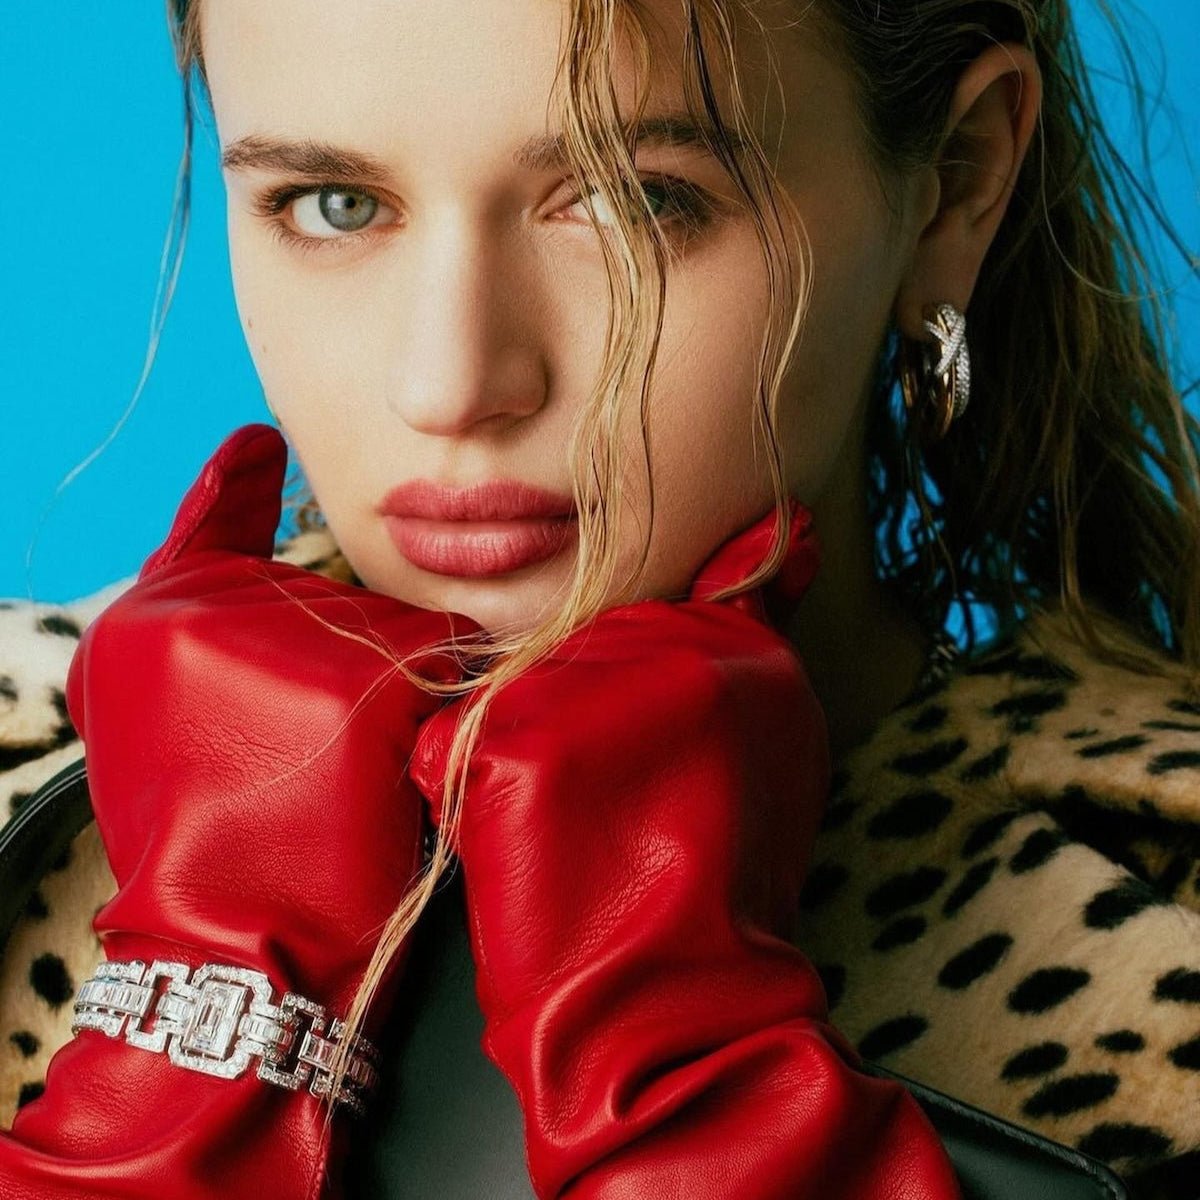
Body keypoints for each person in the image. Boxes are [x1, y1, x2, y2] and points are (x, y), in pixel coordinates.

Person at [0, 0, 1196, 1196]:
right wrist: (197, 1016)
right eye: (335, 204)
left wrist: (690, 1089)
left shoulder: (1151, 926)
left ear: (954, 182)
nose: (452, 384)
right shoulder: (24, 805)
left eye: (633, 201)